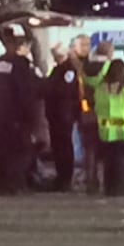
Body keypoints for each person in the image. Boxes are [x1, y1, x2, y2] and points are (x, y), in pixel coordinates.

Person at [0, 28, 47, 193]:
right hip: (18, 116)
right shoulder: (21, 65)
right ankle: (15, 184)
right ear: (22, 46)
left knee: (1, 150)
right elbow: (27, 92)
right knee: (20, 151)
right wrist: (30, 117)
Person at [89, 52, 124, 197]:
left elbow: (97, 106)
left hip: (106, 130)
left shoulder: (101, 88)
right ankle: (120, 188)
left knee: (109, 160)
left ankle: (109, 188)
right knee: (122, 160)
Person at [40, 40, 87, 191]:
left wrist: (46, 86)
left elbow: (61, 91)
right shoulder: (59, 69)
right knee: (58, 147)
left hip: (64, 115)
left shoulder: (68, 70)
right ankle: (61, 177)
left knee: (64, 147)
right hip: (56, 115)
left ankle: (65, 178)